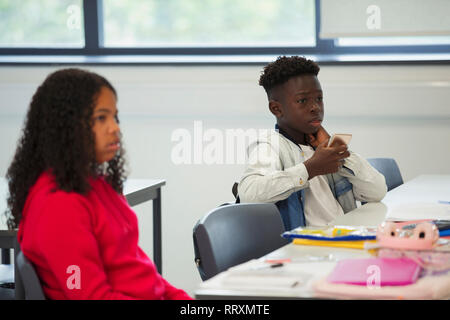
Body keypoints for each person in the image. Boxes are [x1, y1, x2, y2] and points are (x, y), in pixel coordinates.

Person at [5, 68, 192, 300]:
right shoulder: (58, 205)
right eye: (101, 118)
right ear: (67, 125)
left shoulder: (98, 184)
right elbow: (90, 296)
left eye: (115, 117)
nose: (115, 128)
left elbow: (137, 267)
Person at [237, 56, 387, 230]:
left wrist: (337, 150)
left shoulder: (324, 146)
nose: (315, 107)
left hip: (344, 237)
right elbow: (249, 194)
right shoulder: (270, 145)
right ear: (276, 109)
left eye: (319, 99)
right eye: (302, 101)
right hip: (304, 248)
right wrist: (309, 169)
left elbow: (377, 191)